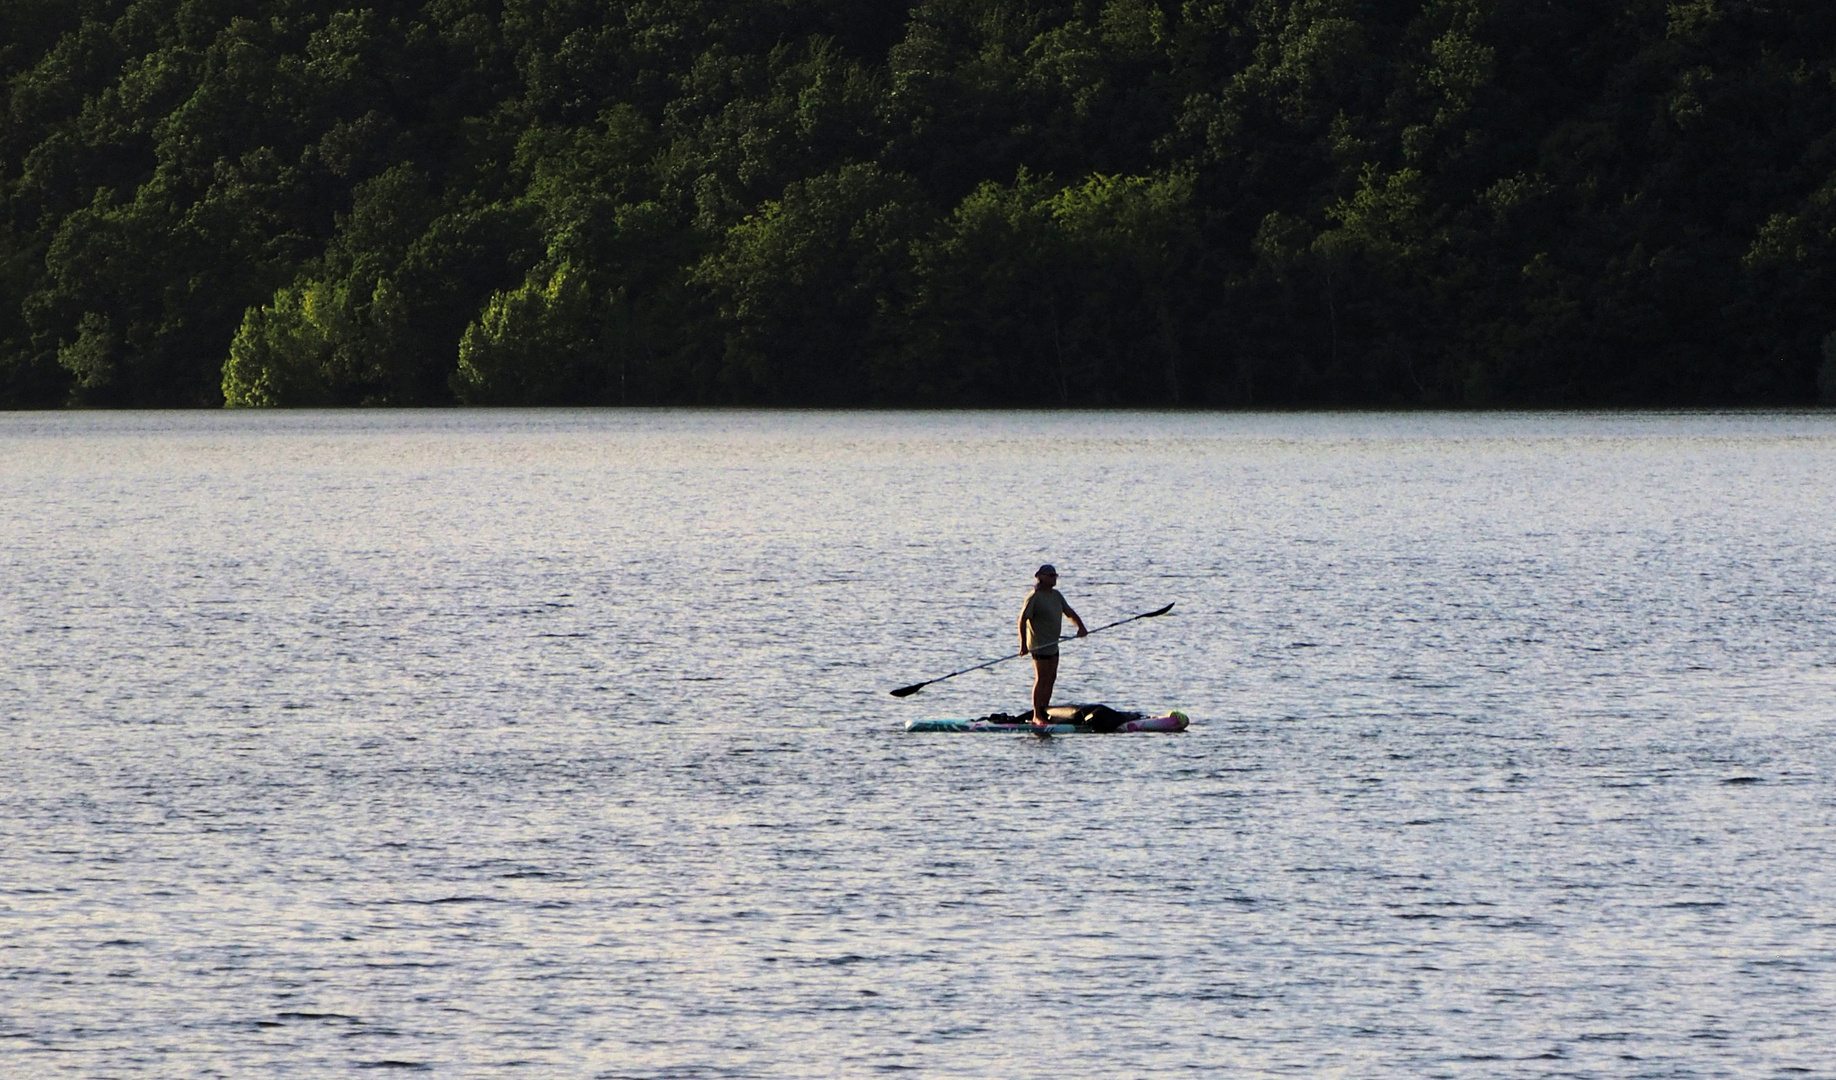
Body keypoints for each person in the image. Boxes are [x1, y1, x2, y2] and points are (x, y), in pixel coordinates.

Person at [1019, 564, 1087, 729]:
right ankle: (1037, 715)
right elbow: (1022, 620)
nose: (1053, 578)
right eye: (1050, 575)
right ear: (1041, 577)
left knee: (1051, 678)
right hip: (1039, 645)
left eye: (1055, 575)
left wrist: (1081, 627)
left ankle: (1044, 710)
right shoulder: (1034, 596)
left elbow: (1069, 612)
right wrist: (1023, 645)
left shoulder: (1056, 595)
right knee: (1041, 678)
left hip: (1053, 644)